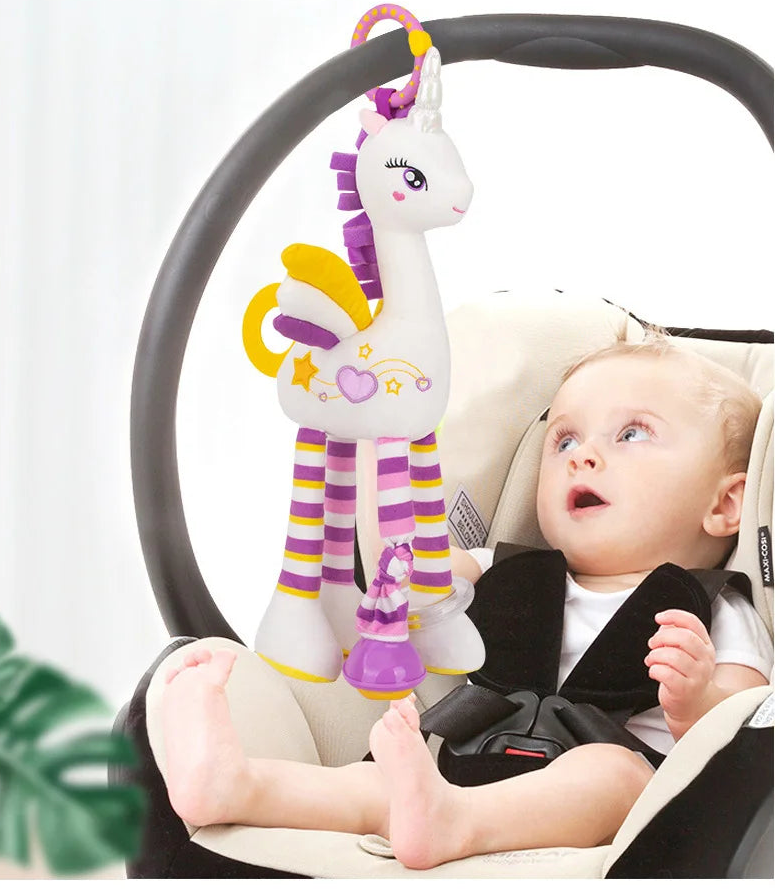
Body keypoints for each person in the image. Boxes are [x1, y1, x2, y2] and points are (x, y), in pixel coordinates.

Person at [160, 335, 772, 870]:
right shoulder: (504, 569)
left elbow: (744, 720)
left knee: (612, 775)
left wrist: (695, 697)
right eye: (563, 440)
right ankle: (237, 784)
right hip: (467, 759)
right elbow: (426, 578)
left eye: (632, 434)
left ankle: (456, 821)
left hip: (614, 795)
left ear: (724, 505)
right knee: (372, 783)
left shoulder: (714, 608)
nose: (582, 456)